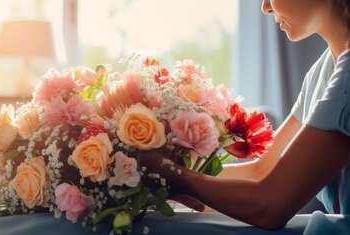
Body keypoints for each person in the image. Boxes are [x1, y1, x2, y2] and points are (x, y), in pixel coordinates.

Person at [143, 0, 350, 233]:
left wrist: (176, 177)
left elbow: (270, 205)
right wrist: (158, 175)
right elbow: (262, 171)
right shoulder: (322, 70)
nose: (265, 7)